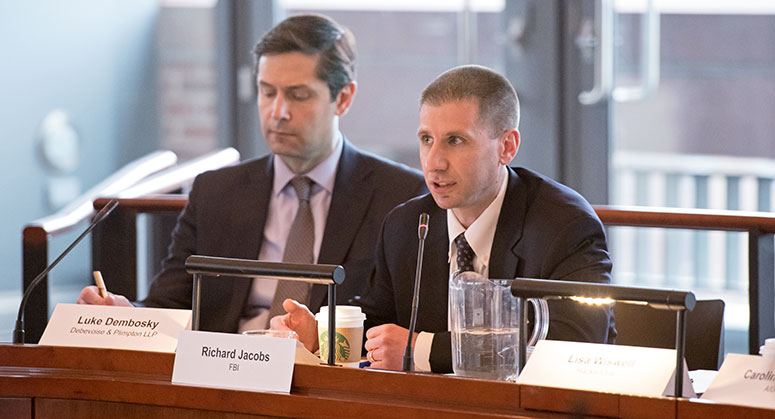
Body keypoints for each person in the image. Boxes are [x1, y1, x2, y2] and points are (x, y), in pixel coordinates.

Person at [77, 14, 426, 336]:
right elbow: (169, 305)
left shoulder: (399, 195)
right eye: (267, 92)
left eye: (298, 95)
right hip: (222, 366)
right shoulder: (215, 191)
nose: (278, 111)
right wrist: (125, 315)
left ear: (343, 98)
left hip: (328, 372)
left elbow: (399, 323)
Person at [276, 65, 615, 372]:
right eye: (427, 140)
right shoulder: (407, 225)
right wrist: (324, 336)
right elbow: (382, 328)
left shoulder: (565, 226)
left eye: (455, 141)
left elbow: (575, 344)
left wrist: (424, 350)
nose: (434, 162)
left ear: (507, 147)